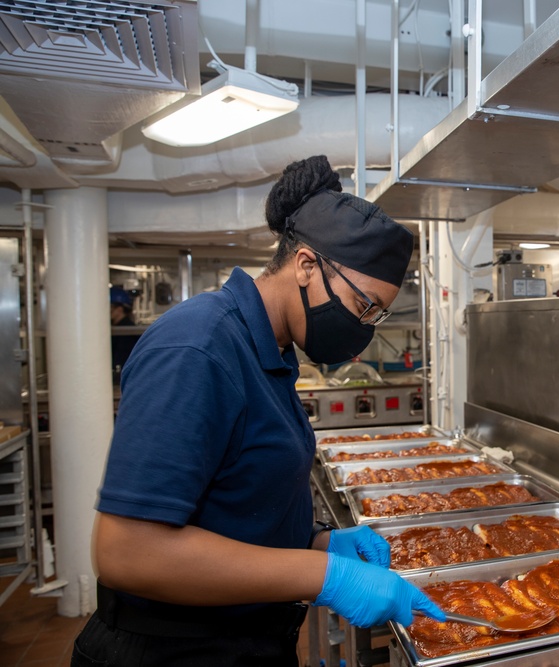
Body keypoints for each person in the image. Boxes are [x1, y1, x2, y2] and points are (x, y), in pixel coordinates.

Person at [72, 156, 445, 667]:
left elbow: (233, 501)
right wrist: (325, 577)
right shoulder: (197, 347)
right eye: (364, 307)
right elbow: (127, 553)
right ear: (307, 265)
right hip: (171, 652)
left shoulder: (270, 348)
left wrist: (319, 543)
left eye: (377, 316)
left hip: (244, 641)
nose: (366, 329)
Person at [109, 286, 141, 378]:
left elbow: (119, 363)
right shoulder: (121, 329)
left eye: (109, 307)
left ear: (119, 309)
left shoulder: (126, 333)